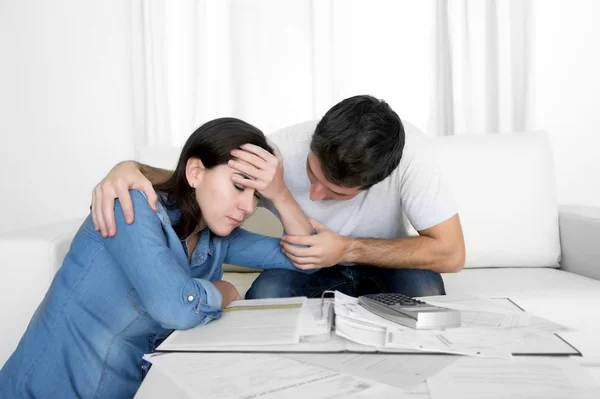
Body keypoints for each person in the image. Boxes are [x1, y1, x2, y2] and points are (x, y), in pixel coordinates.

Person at [0, 118, 316, 398]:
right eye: (238, 186)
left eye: (257, 196)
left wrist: (281, 195)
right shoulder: (130, 206)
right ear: (196, 172)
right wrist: (225, 291)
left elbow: (305, 255)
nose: (248, 207)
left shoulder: (216, 236)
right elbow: (175, 308)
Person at [91, 95, 466, 300]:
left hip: (385, 259)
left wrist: (347, 249)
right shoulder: (278, 150)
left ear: (374, 182)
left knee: (426, 292)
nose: (316, 195)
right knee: (267, 293)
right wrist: (130, 167)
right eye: (311, 174)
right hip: (304, 266)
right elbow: (201, 174)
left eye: (335, 194)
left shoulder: (410, 154)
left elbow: (451, 253)